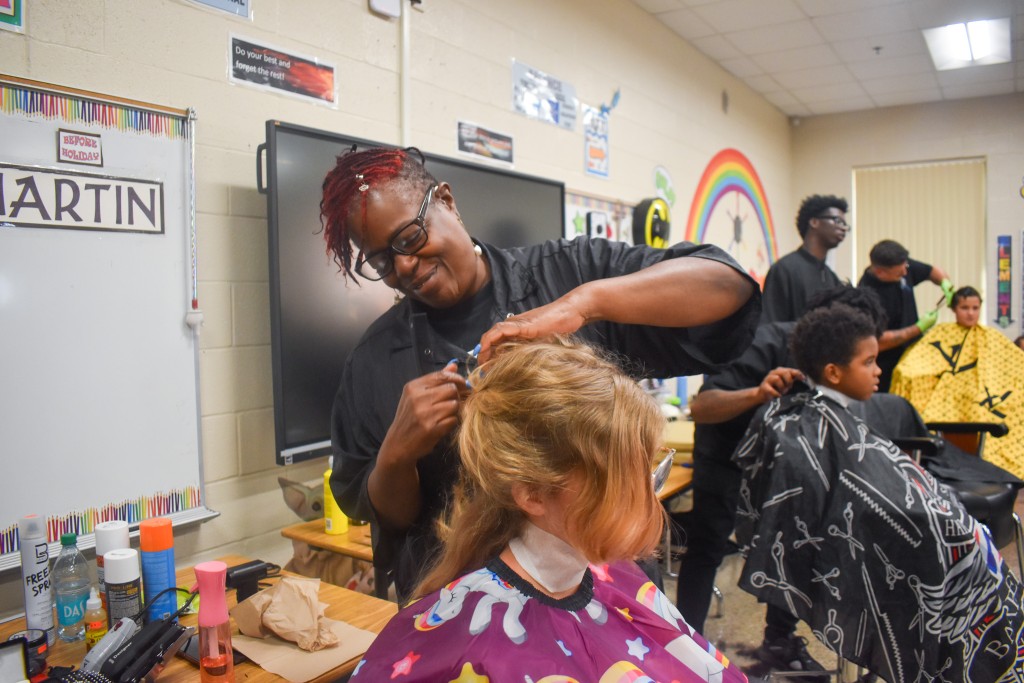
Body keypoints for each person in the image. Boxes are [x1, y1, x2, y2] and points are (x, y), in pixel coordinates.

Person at [320, 146, 760, 600]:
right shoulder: (375, 361)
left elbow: (727, 286)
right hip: (464, 616)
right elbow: (385, 515)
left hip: (599, 594)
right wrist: (397, 453)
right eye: (382, 262)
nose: (404, 266)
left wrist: (581, 305)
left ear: (446, 201)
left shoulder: (566, 273)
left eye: (410, 238)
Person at [349, 339, 748, 681]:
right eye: (619, 481)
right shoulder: (471, 645)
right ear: (534, 495)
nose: (646, 497)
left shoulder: (618, 577)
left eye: (647, 472)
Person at [734, 303, 1024, 682]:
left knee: (968, 547)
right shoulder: (806, 426)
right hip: (857, 558)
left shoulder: (824, 417)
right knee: (963, 559)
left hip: (874, 544)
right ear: (834, 372)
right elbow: (830, 503)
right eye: (869, 362)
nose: (878, 370)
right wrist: (937, 521)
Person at [676, 286, 885, 682]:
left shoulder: (839, 362)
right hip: (726, 457)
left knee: (797, 544)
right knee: (709, 547)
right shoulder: (763, 342)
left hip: (786, 469)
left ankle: (779, 641)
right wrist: (757, 393)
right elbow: (702, 407)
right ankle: (686, 647)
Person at [892, 286, 1024, 479]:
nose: (970, 313)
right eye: (964, 308)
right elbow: (910, 368)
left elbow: (1015, 368)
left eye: (975, 308)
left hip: (983, 399)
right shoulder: (940, 334)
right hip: (947, 402)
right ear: (954, 309)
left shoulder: (992, 338)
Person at [857, 239, 954, 392]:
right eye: (898, 272)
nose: (905, 273)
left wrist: (945, 283)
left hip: (914, 357)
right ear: (880, 272)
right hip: (888, 366)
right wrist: (918, 328)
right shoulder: (865, 296)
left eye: (906, 266)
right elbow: (877, 341)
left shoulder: (902, 265)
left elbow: (932, 271)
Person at [760, 194, 848, 323]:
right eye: (837, 220)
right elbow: (770, 329)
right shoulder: (784, 269)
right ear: (814, 222)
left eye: (845, 225)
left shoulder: (831, 277)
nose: (843, 228)